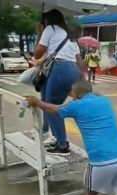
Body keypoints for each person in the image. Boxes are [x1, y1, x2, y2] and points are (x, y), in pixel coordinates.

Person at [25, 80, 117, 195]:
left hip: (100, 160)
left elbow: (52, 110)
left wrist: (37, 102)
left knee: (91, 194)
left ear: (74, 94)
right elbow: (95, 95)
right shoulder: (105, 102)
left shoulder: (76, 105)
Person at [33, 9, 84, 155]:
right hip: (73, 70)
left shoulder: (50, 29)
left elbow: (37, 53)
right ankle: (57, 139)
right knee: (51, 105)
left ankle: (62, 145)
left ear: (47, 20)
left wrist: (39, 33)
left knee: (50, 107)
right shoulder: (69, 35)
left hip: (60, 69)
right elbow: (78, 59)